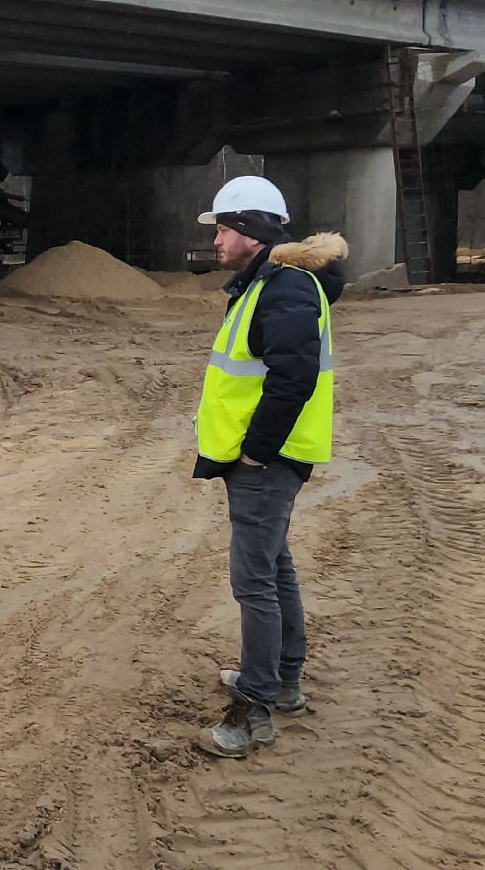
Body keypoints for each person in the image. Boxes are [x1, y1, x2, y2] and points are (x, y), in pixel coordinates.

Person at [190, 177, 347, 758]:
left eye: (224, 228)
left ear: (252, 230)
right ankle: (285, 682)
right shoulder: (269, 284)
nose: (217, 239)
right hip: (265, 458)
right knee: (275, 566)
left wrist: (256, 449)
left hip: (267, 461)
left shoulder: (285, 290)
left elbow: (294, 378)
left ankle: (253, 706)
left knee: (253, 580)